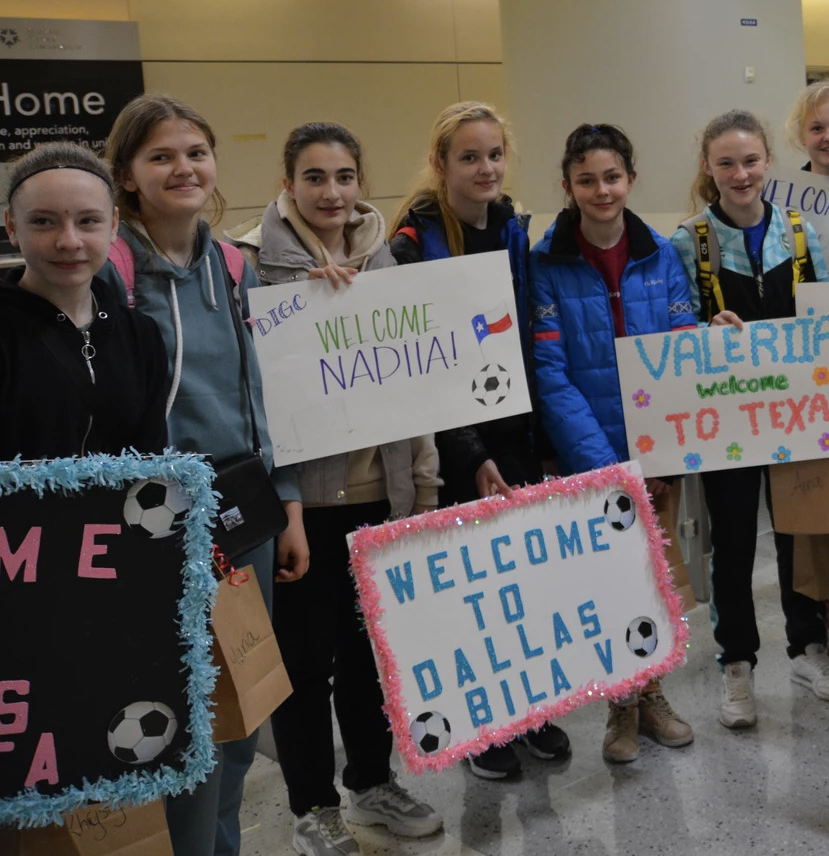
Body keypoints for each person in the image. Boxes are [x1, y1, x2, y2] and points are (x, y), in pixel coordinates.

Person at [232, 123, 442, 856]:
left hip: (378, 499)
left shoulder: (385, 258)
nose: (332, 192)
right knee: (301, 665)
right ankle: (312, 807)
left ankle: (372, 784)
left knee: (368, 655)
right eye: (315, 177)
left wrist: (421, 489)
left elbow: (417, 381)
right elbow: (250, 394)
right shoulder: (251, 268)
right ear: (289, 184)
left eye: (345, 176)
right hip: (301, 511)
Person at [103, 95, 298, 856]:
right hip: (155, 524)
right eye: (160, 156)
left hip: (240, 517)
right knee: (181, 718)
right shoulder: (113, 266)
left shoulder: (232, 263)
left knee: (240, 709)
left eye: (195, 152)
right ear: (126, 175)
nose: (183, 168)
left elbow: (256, 393)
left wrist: (285, 500)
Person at [388, 101, 573, 779]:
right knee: (468, 590)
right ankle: (478, 727)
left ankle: (530, 711)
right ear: (440, 164)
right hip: (454, 446)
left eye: (495, 154)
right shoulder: (411, 242)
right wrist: (473, 455)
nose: (486, 168)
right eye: (469, 157)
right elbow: (420, 369)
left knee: (520, 578)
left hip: (515, 430)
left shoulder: (511, 228)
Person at [670, 109, 829, 727]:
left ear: (768, 161)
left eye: (750, 161)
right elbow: (673, 331)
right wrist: (702, 329)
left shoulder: (801, 232)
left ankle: (808, 646)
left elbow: (827, 318)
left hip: (794, 412)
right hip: (728, 421)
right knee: (735, 540)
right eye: (726, 163)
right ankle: (736, 663)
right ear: (709, 169)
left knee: (801, 531)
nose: (740, 174)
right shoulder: (687, 242)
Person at [528, 121, 696, 762]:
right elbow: (551, 375)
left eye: (613, 177)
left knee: (656, 580)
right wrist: (607, 466)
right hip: (590, 459)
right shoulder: (545, 265)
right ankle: (618, 707)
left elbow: (683, 352)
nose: (602, 190)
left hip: (660, 455)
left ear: (630, 178)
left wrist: (658, 457)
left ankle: (651, 694)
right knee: (605, 586)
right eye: (587, 179)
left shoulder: (663, 255)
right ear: (568, 185)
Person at [1, 142, 167, 459]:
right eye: (42, 222)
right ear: (11, 226)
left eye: (88, 221)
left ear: (114, 225)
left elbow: (151, 463)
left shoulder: (140, 336)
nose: (69, 241)